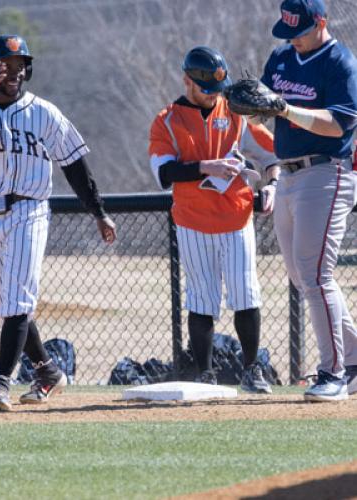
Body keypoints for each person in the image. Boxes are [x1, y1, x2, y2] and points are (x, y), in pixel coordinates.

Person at [0, 35, 116, 411]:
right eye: (4, 65)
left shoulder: (44, 113)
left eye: (20, 64)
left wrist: (98, 211)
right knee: (9, 305)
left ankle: (0, 382)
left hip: (30, 208)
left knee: (17, 300)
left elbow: (75, 165)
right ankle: (48, 372)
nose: (14, 72)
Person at [149, 46, 280, 393]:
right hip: (192, 219)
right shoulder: (168, 120)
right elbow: (163, 172)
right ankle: (205, 374)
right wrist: (206, 167)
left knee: (246, 294)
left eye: (218, 90)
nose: (214, 96)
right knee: (201, 298)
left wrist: (273, 185)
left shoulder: (236, 113)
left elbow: (271, 154)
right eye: (207, 90)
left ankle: (253, 371)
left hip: (236, 217)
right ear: (187, 81)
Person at [260, 0, 357, 401]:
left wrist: (284, 108)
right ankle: (352, 358)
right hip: (287, 174)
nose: (292, 40)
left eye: (299, 31)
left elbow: (338, 125)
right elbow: (261, 112)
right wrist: (249, 106)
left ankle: (332, 372)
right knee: (303, 278)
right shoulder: (282, 57)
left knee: (316, 274)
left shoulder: (339, 62)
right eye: (287, 32)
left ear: (321, 23)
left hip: (326, 171)